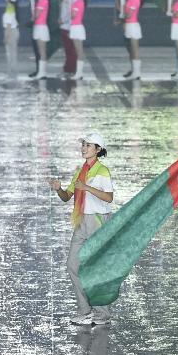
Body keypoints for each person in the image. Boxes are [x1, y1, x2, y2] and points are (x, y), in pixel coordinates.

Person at [48, 132, 115, 326]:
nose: (84, 147)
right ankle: (85, 310)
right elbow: (66, 196)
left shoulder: (102, 171)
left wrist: (86, 188)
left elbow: (109, 198)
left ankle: (102, 314)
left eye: (88, 145)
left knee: (95, 268)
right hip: (81, 221)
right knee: (72, 265)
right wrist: (58, 188)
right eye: (83, 144)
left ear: (98, 149)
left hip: (97, 221)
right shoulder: (80, 171)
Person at [29, 0, 50, 79]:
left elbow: (36, 15)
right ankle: (41, 72)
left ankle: (42, 72)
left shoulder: (43, 0)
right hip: (38, 26)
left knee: (42, 51)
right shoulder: (41, 0)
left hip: (41, 27)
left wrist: (33, 16)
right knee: (40, 51)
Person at [122, 0, 143, 80]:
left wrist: (124, 14)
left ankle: (137, 72)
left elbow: (129, 14)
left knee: (135, 50)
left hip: (133, 25)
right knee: (132, 50)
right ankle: (135, 71)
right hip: (129, 25)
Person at [69, 0, 88, 80]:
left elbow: (73, 15)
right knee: (77, 51)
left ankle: (79, 73)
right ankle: (78, 72)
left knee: (79, 51)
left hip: (77, 28)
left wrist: (70, 7)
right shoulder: (77, 1)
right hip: (75, 27)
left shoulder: (79, 1)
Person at [2, 0, 19, 77]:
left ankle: (11, 71)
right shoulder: (12, 7)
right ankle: (12, 70)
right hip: (13, 31)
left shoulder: (9, 7)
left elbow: (8, 24)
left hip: (11, 32)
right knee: (12, 52)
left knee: (10, 53)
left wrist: (6, 37)